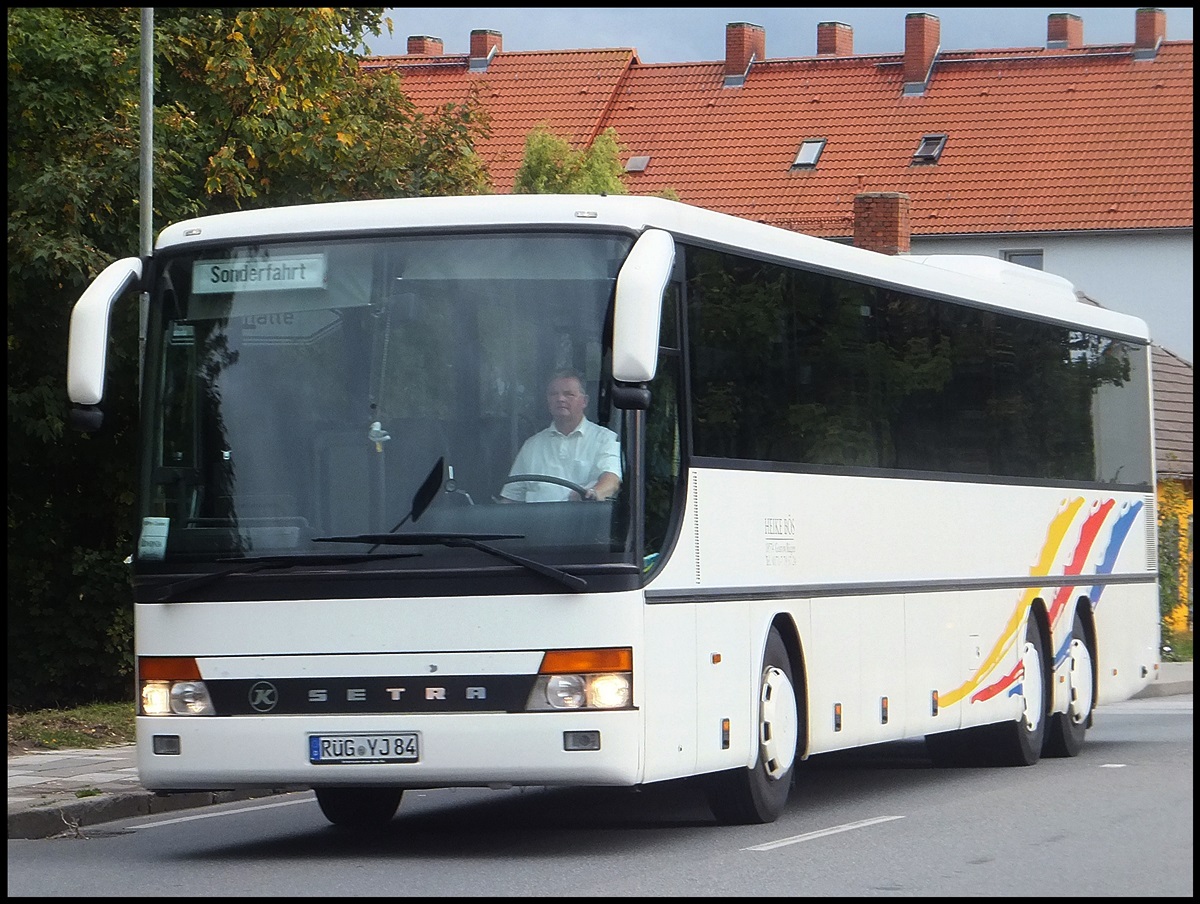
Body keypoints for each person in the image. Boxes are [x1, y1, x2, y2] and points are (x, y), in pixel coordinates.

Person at [499, 369, 622, 502]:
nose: (560, 399)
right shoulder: (532, 445)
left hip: (585, 515)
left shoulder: (605, 439)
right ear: (547, 400)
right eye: (554, 394)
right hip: (538, 516)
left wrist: (594, 493)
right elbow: (511, 497)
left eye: (568, 394)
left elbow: (612, 480)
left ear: (584, 401)